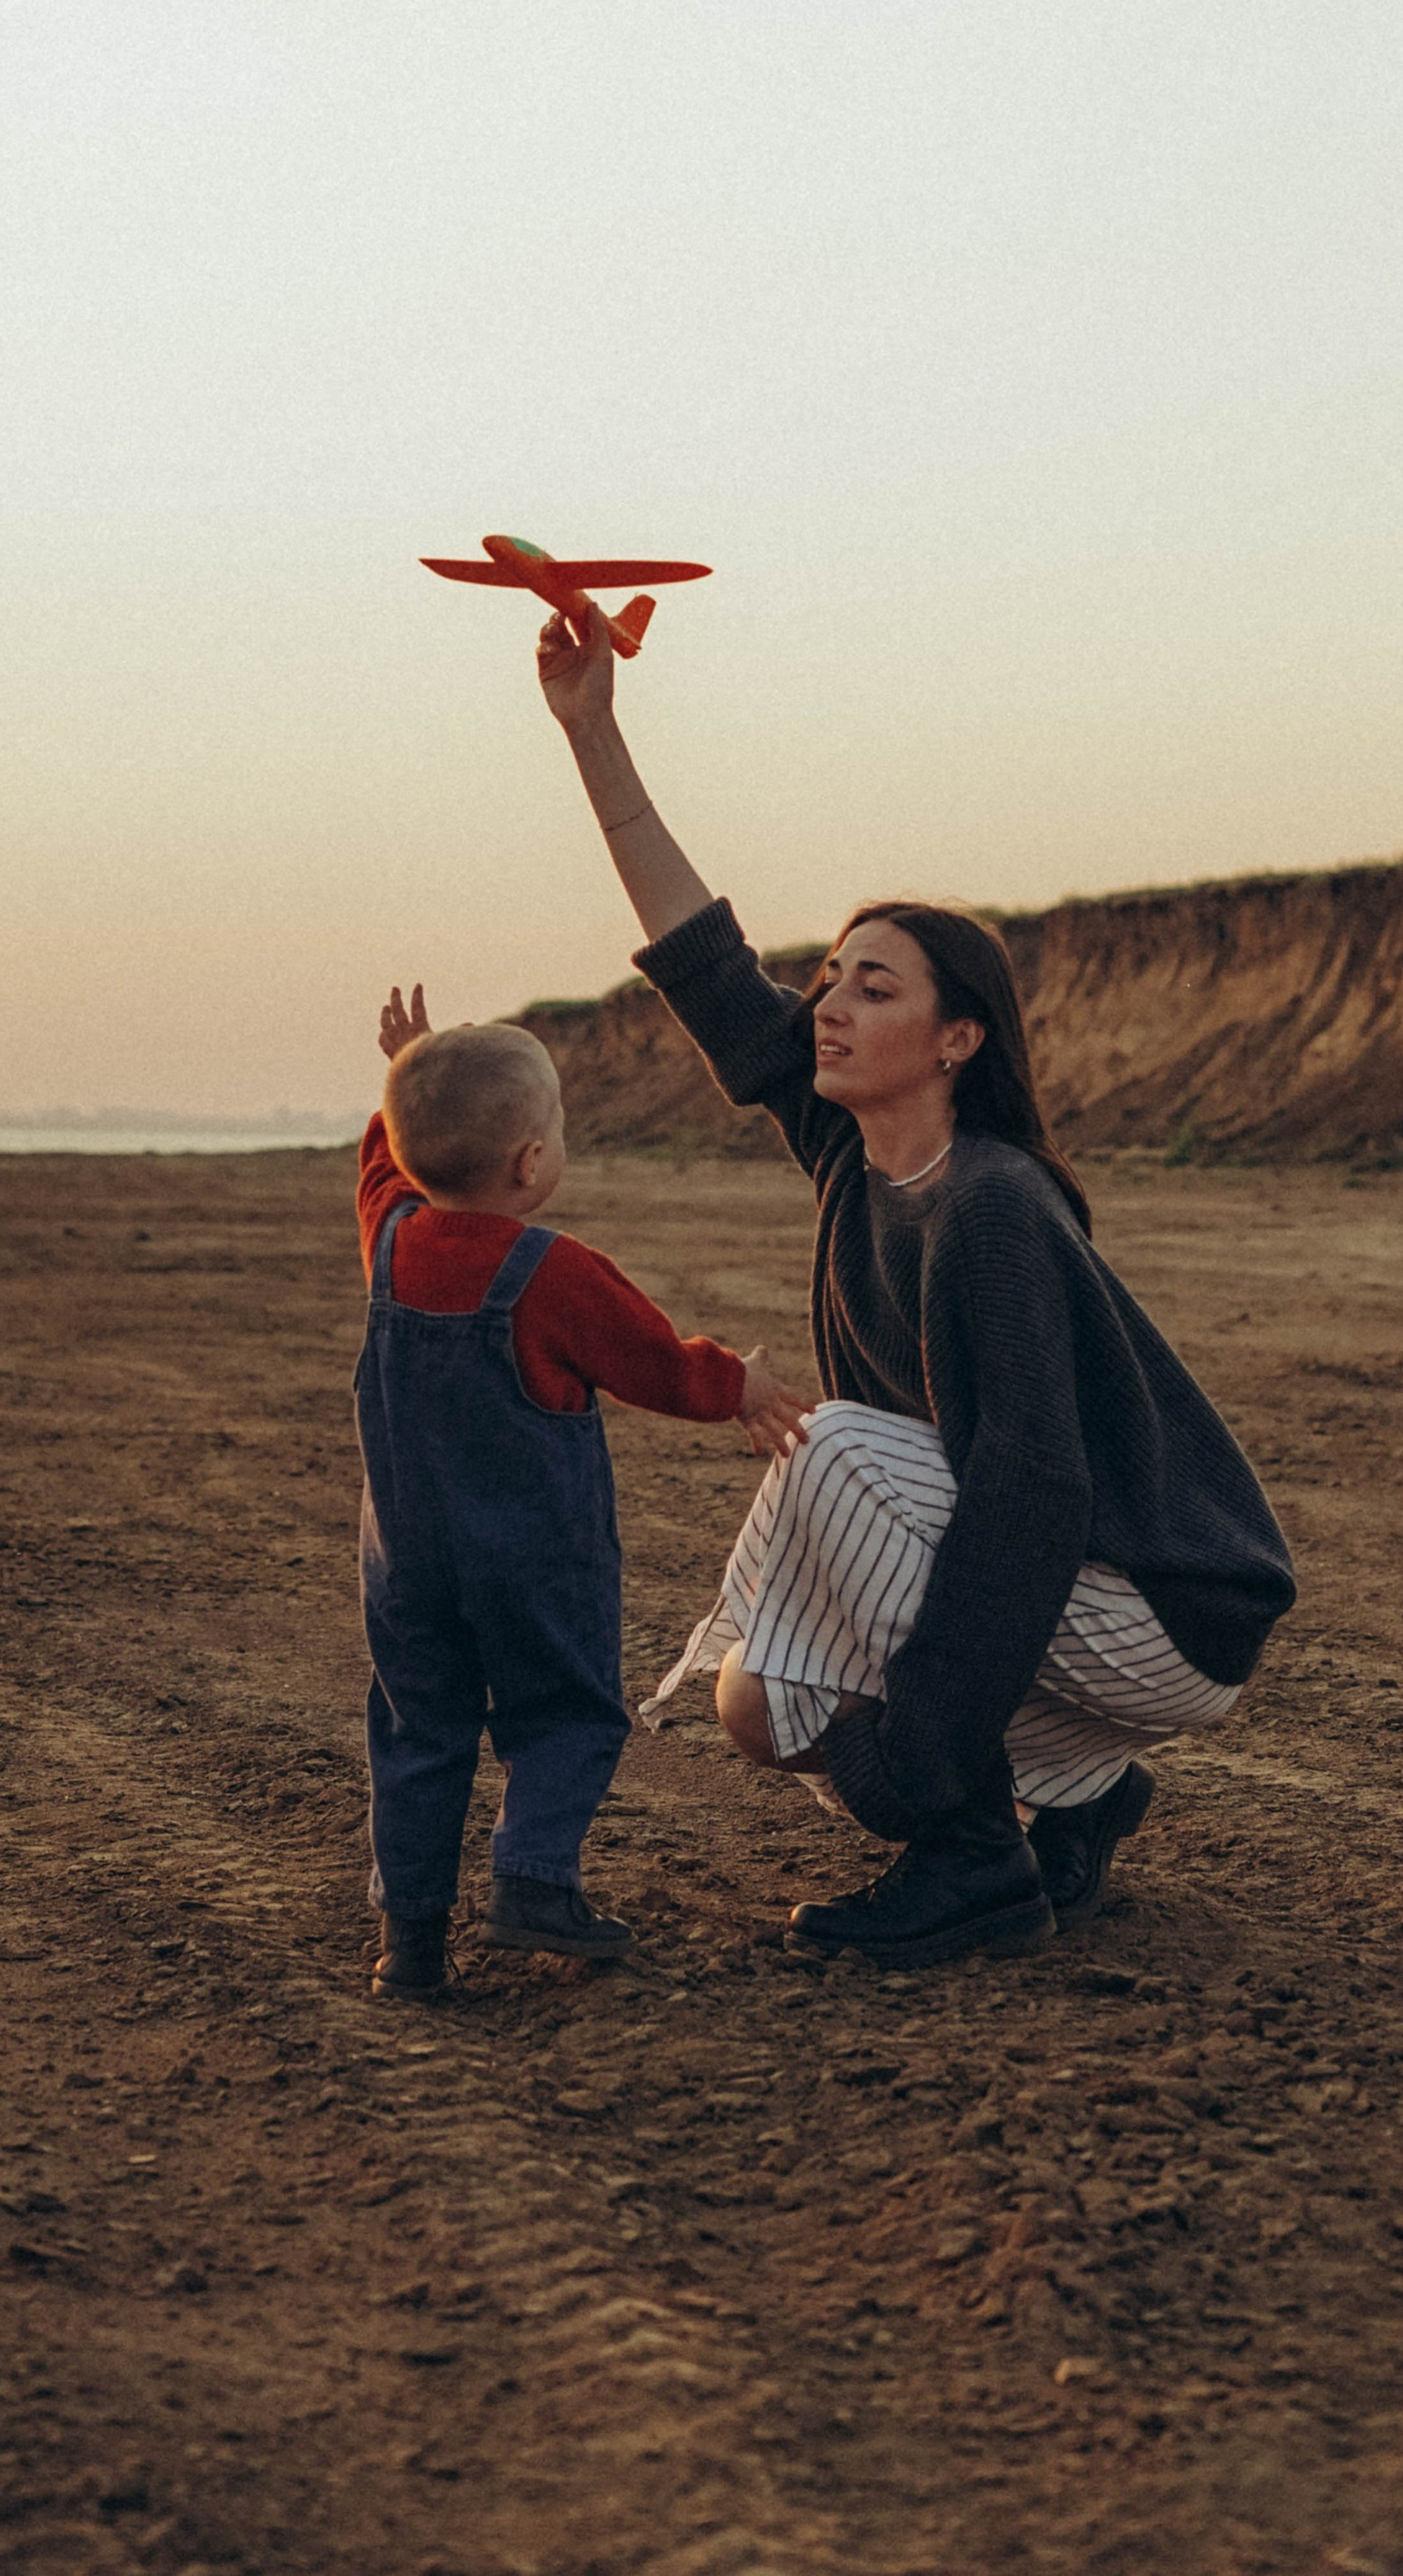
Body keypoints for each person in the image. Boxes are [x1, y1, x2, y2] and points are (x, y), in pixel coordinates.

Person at [536, 603, 1297, 1974]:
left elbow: (1033, 1495)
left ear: (954, 1039)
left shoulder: (990, 1209)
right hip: (1067, 1592)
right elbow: (703, 961)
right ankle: (1079, 1804)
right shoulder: (850, 1146)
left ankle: (972, 1859)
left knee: (829, 1447)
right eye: (828, 979)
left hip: (1164, 1607)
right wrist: (595, 731)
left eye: (871, 989)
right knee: (759, 1701)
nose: (827, 1002)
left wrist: (912, 1765)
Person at [355, 986, 808, 2001]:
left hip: (407, 1564)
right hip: (533, 1559)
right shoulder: (553, 1271)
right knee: (565, 1714)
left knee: (418, 1730)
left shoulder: (389, 1241)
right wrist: (744, 1386)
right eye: (556, 1133)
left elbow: (380, 1167)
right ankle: (532, 1879)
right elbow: (656, 1362)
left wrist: (401, 1078)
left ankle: (410, 1946)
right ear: (530, 1164)